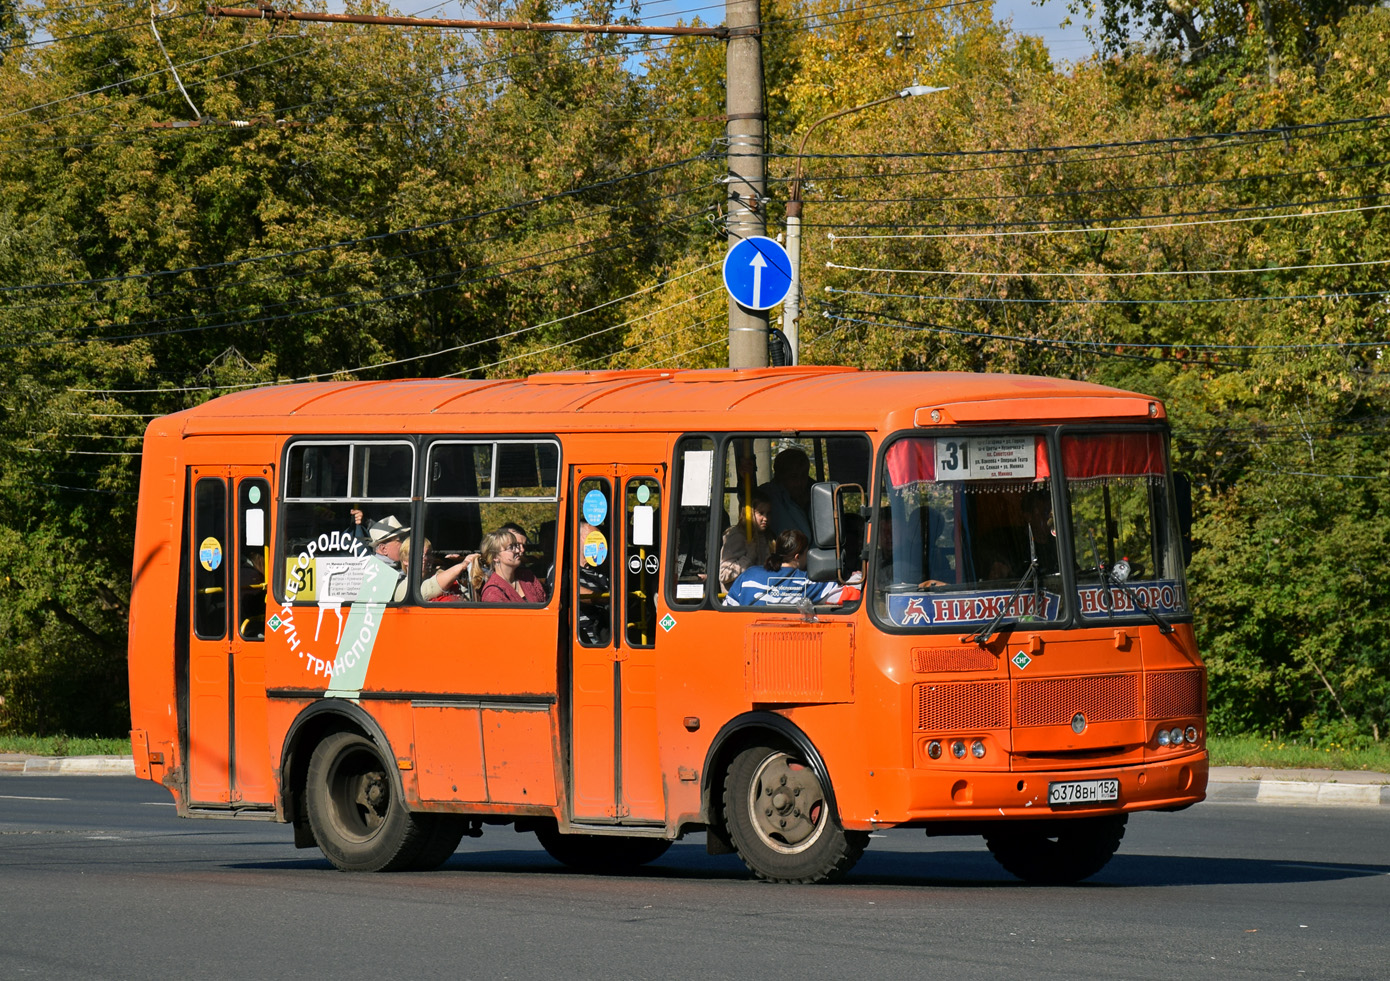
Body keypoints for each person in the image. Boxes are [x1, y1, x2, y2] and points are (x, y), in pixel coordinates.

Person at [723, 529, 847, 608]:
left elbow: (727, 608)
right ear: (797, 557)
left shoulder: (748, 576)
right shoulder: (807, 582)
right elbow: (849, 594)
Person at [474, 528, 546, 604]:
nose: (518, 551)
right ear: (495, 557)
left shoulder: (527, 576)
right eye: (511, 548)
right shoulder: (493, 593)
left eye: (516, 546)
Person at [719, 489, 772, 587]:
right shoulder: (737, 536)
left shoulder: (767, 537)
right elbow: (724, 575)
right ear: (749, 513)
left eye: (768, 513)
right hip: (739, 597)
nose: (765, 518)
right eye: (761, 513)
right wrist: (749, 557)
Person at [758, 448, 812, 538]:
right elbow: (750, 500)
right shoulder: (770, 494)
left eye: (804, 476)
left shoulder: (815, 492)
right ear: (780, 476)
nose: (799, 482)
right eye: (793, 477)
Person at [576, 520, 611, 645]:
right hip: (583, 639)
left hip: (606, 636)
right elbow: (574, 591)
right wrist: (603, 599)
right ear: (578, 539)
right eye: (593, 539)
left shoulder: (601, 572)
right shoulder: (565, 568)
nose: (599, 543)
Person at [363, 515, 410, 601]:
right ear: (383, 549)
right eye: (400, 540)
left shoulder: (392, 566)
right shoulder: (378, 570)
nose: (405, 543)